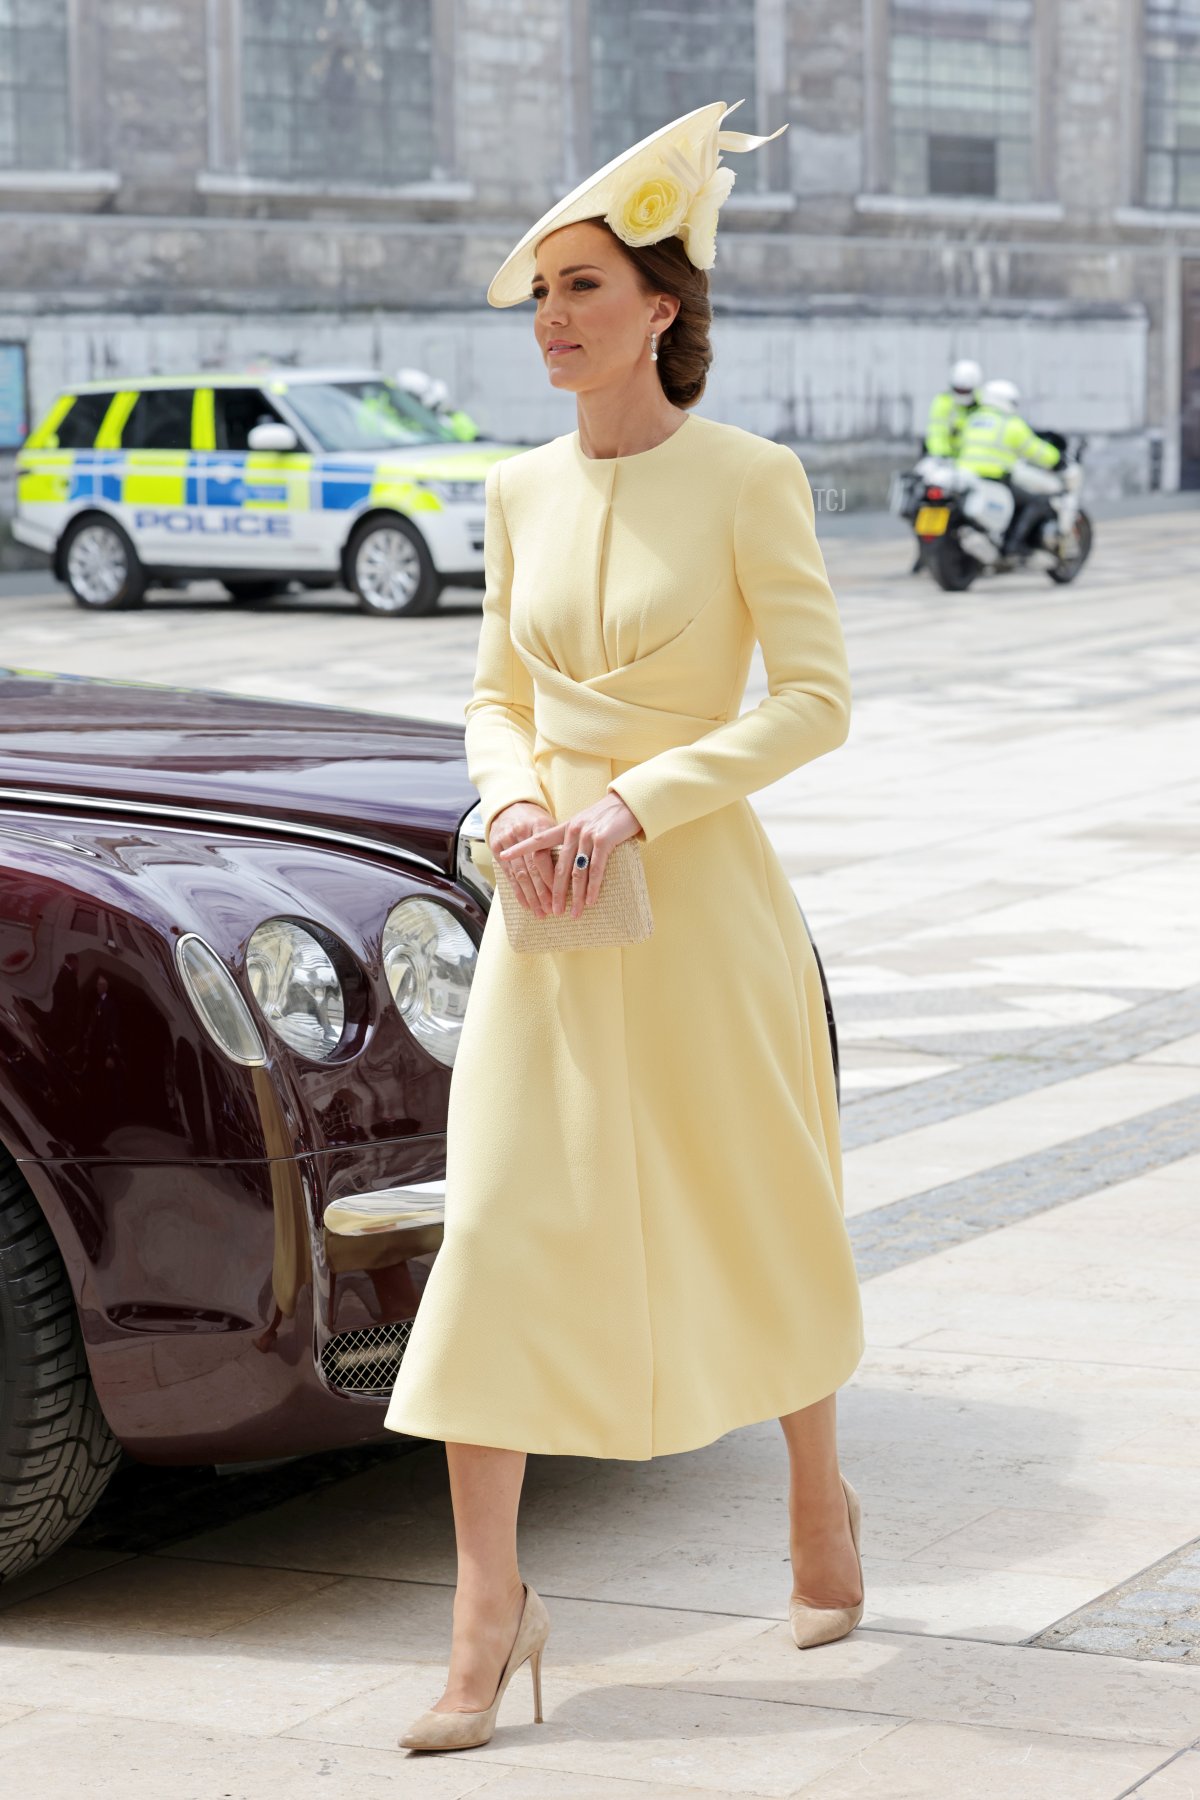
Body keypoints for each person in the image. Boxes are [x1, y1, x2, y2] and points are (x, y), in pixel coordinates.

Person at [385, 98, 867, 1756]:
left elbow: (814, 704)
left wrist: (634, 802)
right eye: (538, 294)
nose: (553, 320)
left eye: (583, 287)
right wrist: (515, 804)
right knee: (506, 1230)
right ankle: (486, 1609)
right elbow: (490, 693)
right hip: (543, 912)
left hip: (700, 903)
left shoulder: (750, 478)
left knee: (756, 1198)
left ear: (663, 306)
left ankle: (819, 1496)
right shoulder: (516, 490)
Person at [956, 377, 1062, 554]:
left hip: (966, 478)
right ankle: (1014, 544)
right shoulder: (1010, 424)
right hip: (994, 477)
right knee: (1038, 501)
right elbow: (1035, 450)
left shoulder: (971, 419)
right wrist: (1057, 460)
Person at [924, 357, 981, 458]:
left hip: (972, 459)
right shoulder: (943, 402)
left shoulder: (982, 403)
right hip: (947, 456)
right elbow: (937, 431)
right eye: (958, 390)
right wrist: (941, 455)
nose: (961, 394)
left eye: (965, 391)